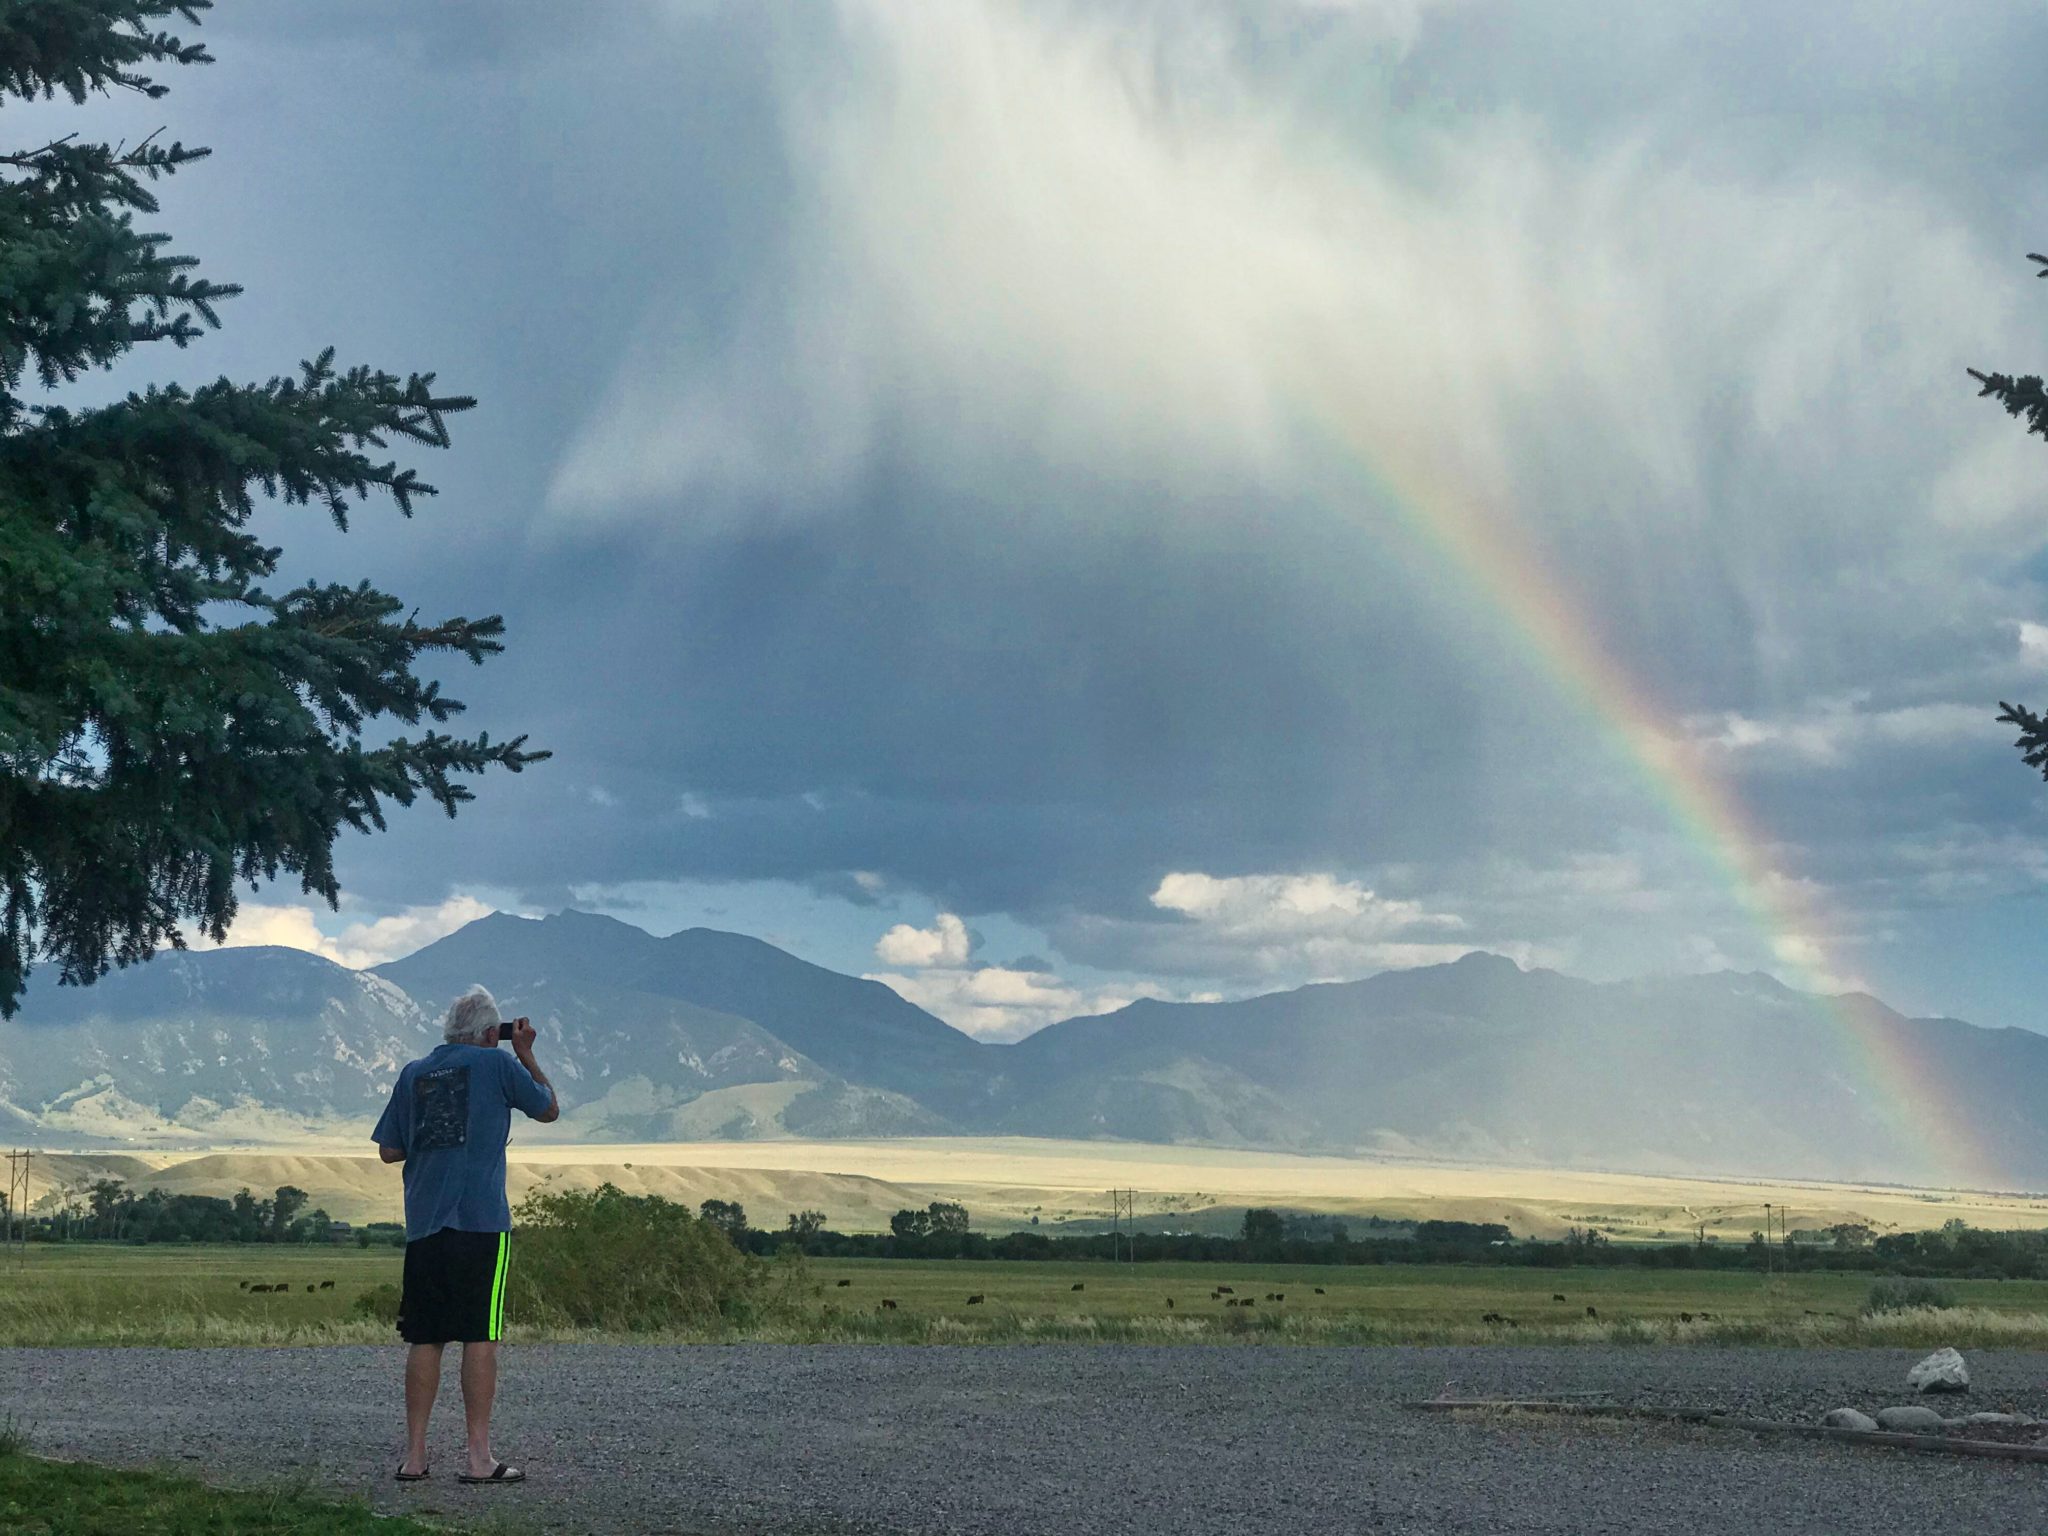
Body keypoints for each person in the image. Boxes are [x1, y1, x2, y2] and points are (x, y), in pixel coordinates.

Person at [373, 984, 559, 1485]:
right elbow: (547, 1108)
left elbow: (389, 1150)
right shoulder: (498, 1064)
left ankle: (415, 1457)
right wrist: (525, 1053)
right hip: (480, 1221)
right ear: (490, 1034)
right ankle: (479, 1458)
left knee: (425, 1337)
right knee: (480, 1335)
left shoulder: (413, 1073)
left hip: (425, 1223)